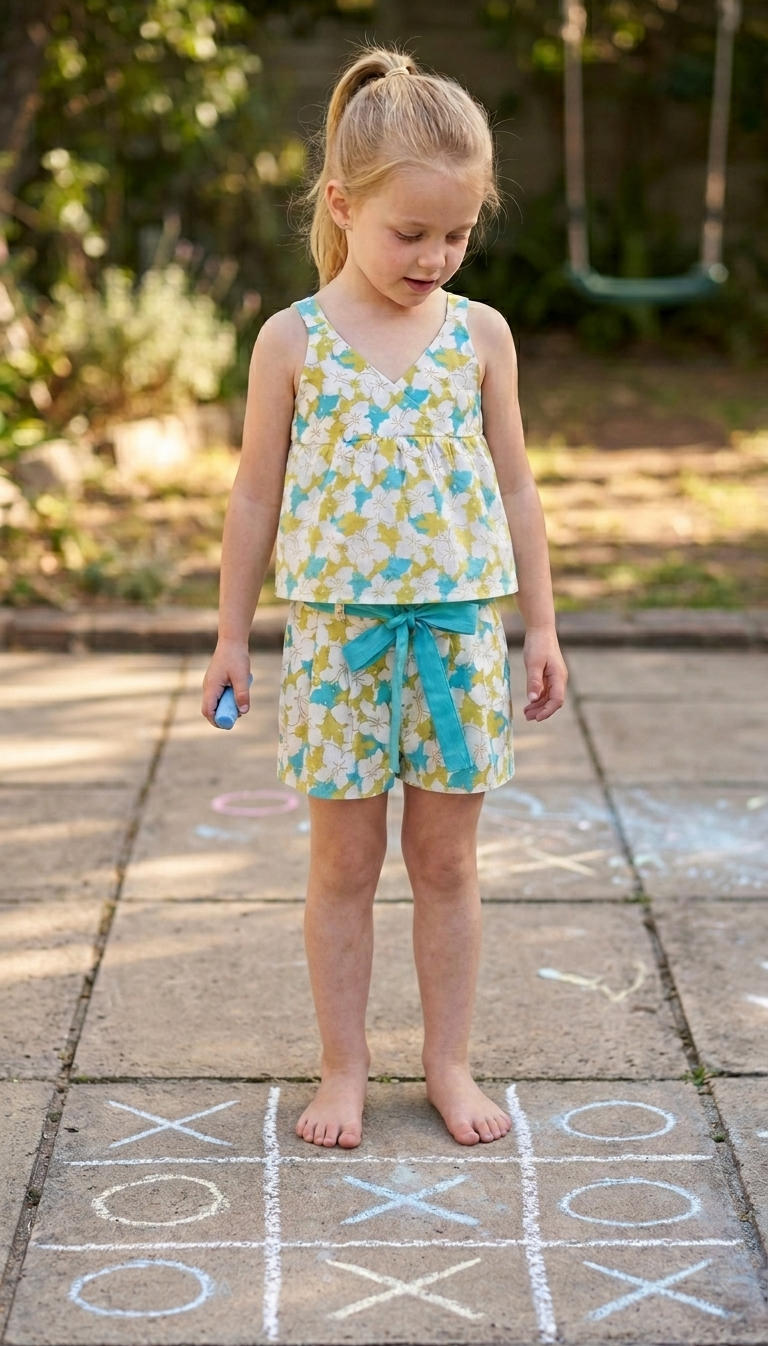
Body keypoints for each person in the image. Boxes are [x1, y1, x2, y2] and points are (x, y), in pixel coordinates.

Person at [202, 46, 567, 1150]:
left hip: (456, 642)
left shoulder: (481, 338)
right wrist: (229, 637)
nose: (436, 256)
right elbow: (254, 494)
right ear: (343, 206)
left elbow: (514, 484)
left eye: (456, 234)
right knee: (343, 867)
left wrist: (540, 624)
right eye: (411, 233)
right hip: (337, 647)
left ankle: (446, 1063)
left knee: (447, 863)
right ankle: (344, 1068)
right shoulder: (292, 342)